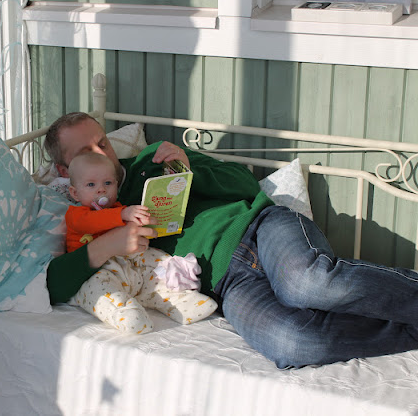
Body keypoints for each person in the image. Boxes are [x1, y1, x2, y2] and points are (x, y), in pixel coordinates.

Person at [44, 112, 418, 369]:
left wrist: (191, 168)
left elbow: (244, 183)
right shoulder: (83, 219)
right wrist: (109, 245)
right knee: (290, 343)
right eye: (86, 152)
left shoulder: (151, 159)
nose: (102, 155)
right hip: (228, 283)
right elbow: (54, 284)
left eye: (103, 143)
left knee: (306, 283)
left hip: (259, 228)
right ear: (63, 172)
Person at [65, 152, 217, 334]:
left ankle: (180, 301)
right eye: (91, 185)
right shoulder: (75, 215)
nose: (101, 190)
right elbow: (91, 222)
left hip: (129, 269)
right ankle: (126, 314)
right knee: (100, 291)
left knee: (156, 273)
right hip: (95, 273)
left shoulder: (119, 208)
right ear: (75, 193)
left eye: (108, 183)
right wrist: (123, 214)